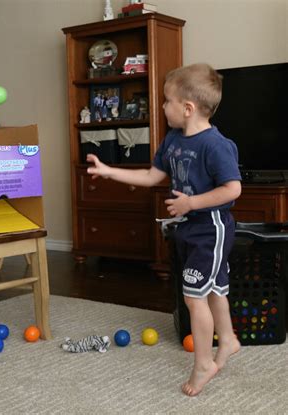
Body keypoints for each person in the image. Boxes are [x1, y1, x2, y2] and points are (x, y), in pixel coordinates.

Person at [87, 63, 242, 396]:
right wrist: (109, 170)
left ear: (187, 108)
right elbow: (150, 177)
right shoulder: (173, 140)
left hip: (210, 229)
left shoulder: (216, 145)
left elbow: (232, 189)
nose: (161, 106)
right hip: (189, 228)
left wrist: (192, 203)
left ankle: (203, 363)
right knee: (213, 289)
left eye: (166, 100)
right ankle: (227, 339)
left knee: (193, 295)